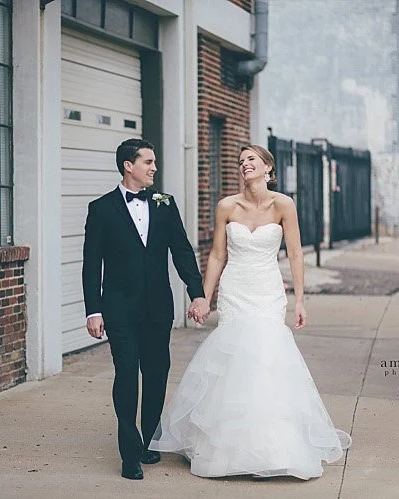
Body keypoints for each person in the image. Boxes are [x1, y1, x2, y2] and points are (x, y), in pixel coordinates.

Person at [148, 144, 351, 479]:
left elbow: (296, 253)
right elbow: (217, 255)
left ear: (268, 167)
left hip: (268, 290)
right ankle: (227, 447)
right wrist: (204, 297)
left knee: (267, 357)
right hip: (236, 289)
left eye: (251, 159)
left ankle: (273, 447)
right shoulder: (227, 206)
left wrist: (300, 300)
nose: (244, 164)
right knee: (235, 358)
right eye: (241, 161)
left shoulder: (284, 205)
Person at [82, 138, 209, 480]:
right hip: (119, 309)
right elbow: (91, 264)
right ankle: (129, 454)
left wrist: (197, 293)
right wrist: (93, 311)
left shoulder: (165, 204)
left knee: (156, 374)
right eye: (148, 162)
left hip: (157, 308)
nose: (154, 167)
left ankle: (150, 439)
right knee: (126, 375)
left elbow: (182, 251)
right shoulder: (101, 209)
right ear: (129, 165)